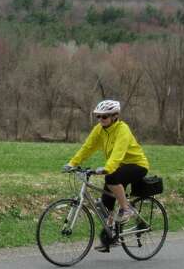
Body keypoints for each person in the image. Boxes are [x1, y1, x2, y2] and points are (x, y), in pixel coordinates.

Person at [63, 100, 150, 252]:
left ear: (115, 116)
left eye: (104, 117)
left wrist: (107, 168)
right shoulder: (99, 130)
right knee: (106, 203)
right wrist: (72, 163)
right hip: (118, 167)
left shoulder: (123, 130)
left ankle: (126, 209)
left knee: (110, 178)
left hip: (137, 165)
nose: (101, 120)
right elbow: (87, 147)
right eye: (98, 117)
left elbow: (118, 153)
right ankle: (111, 237)